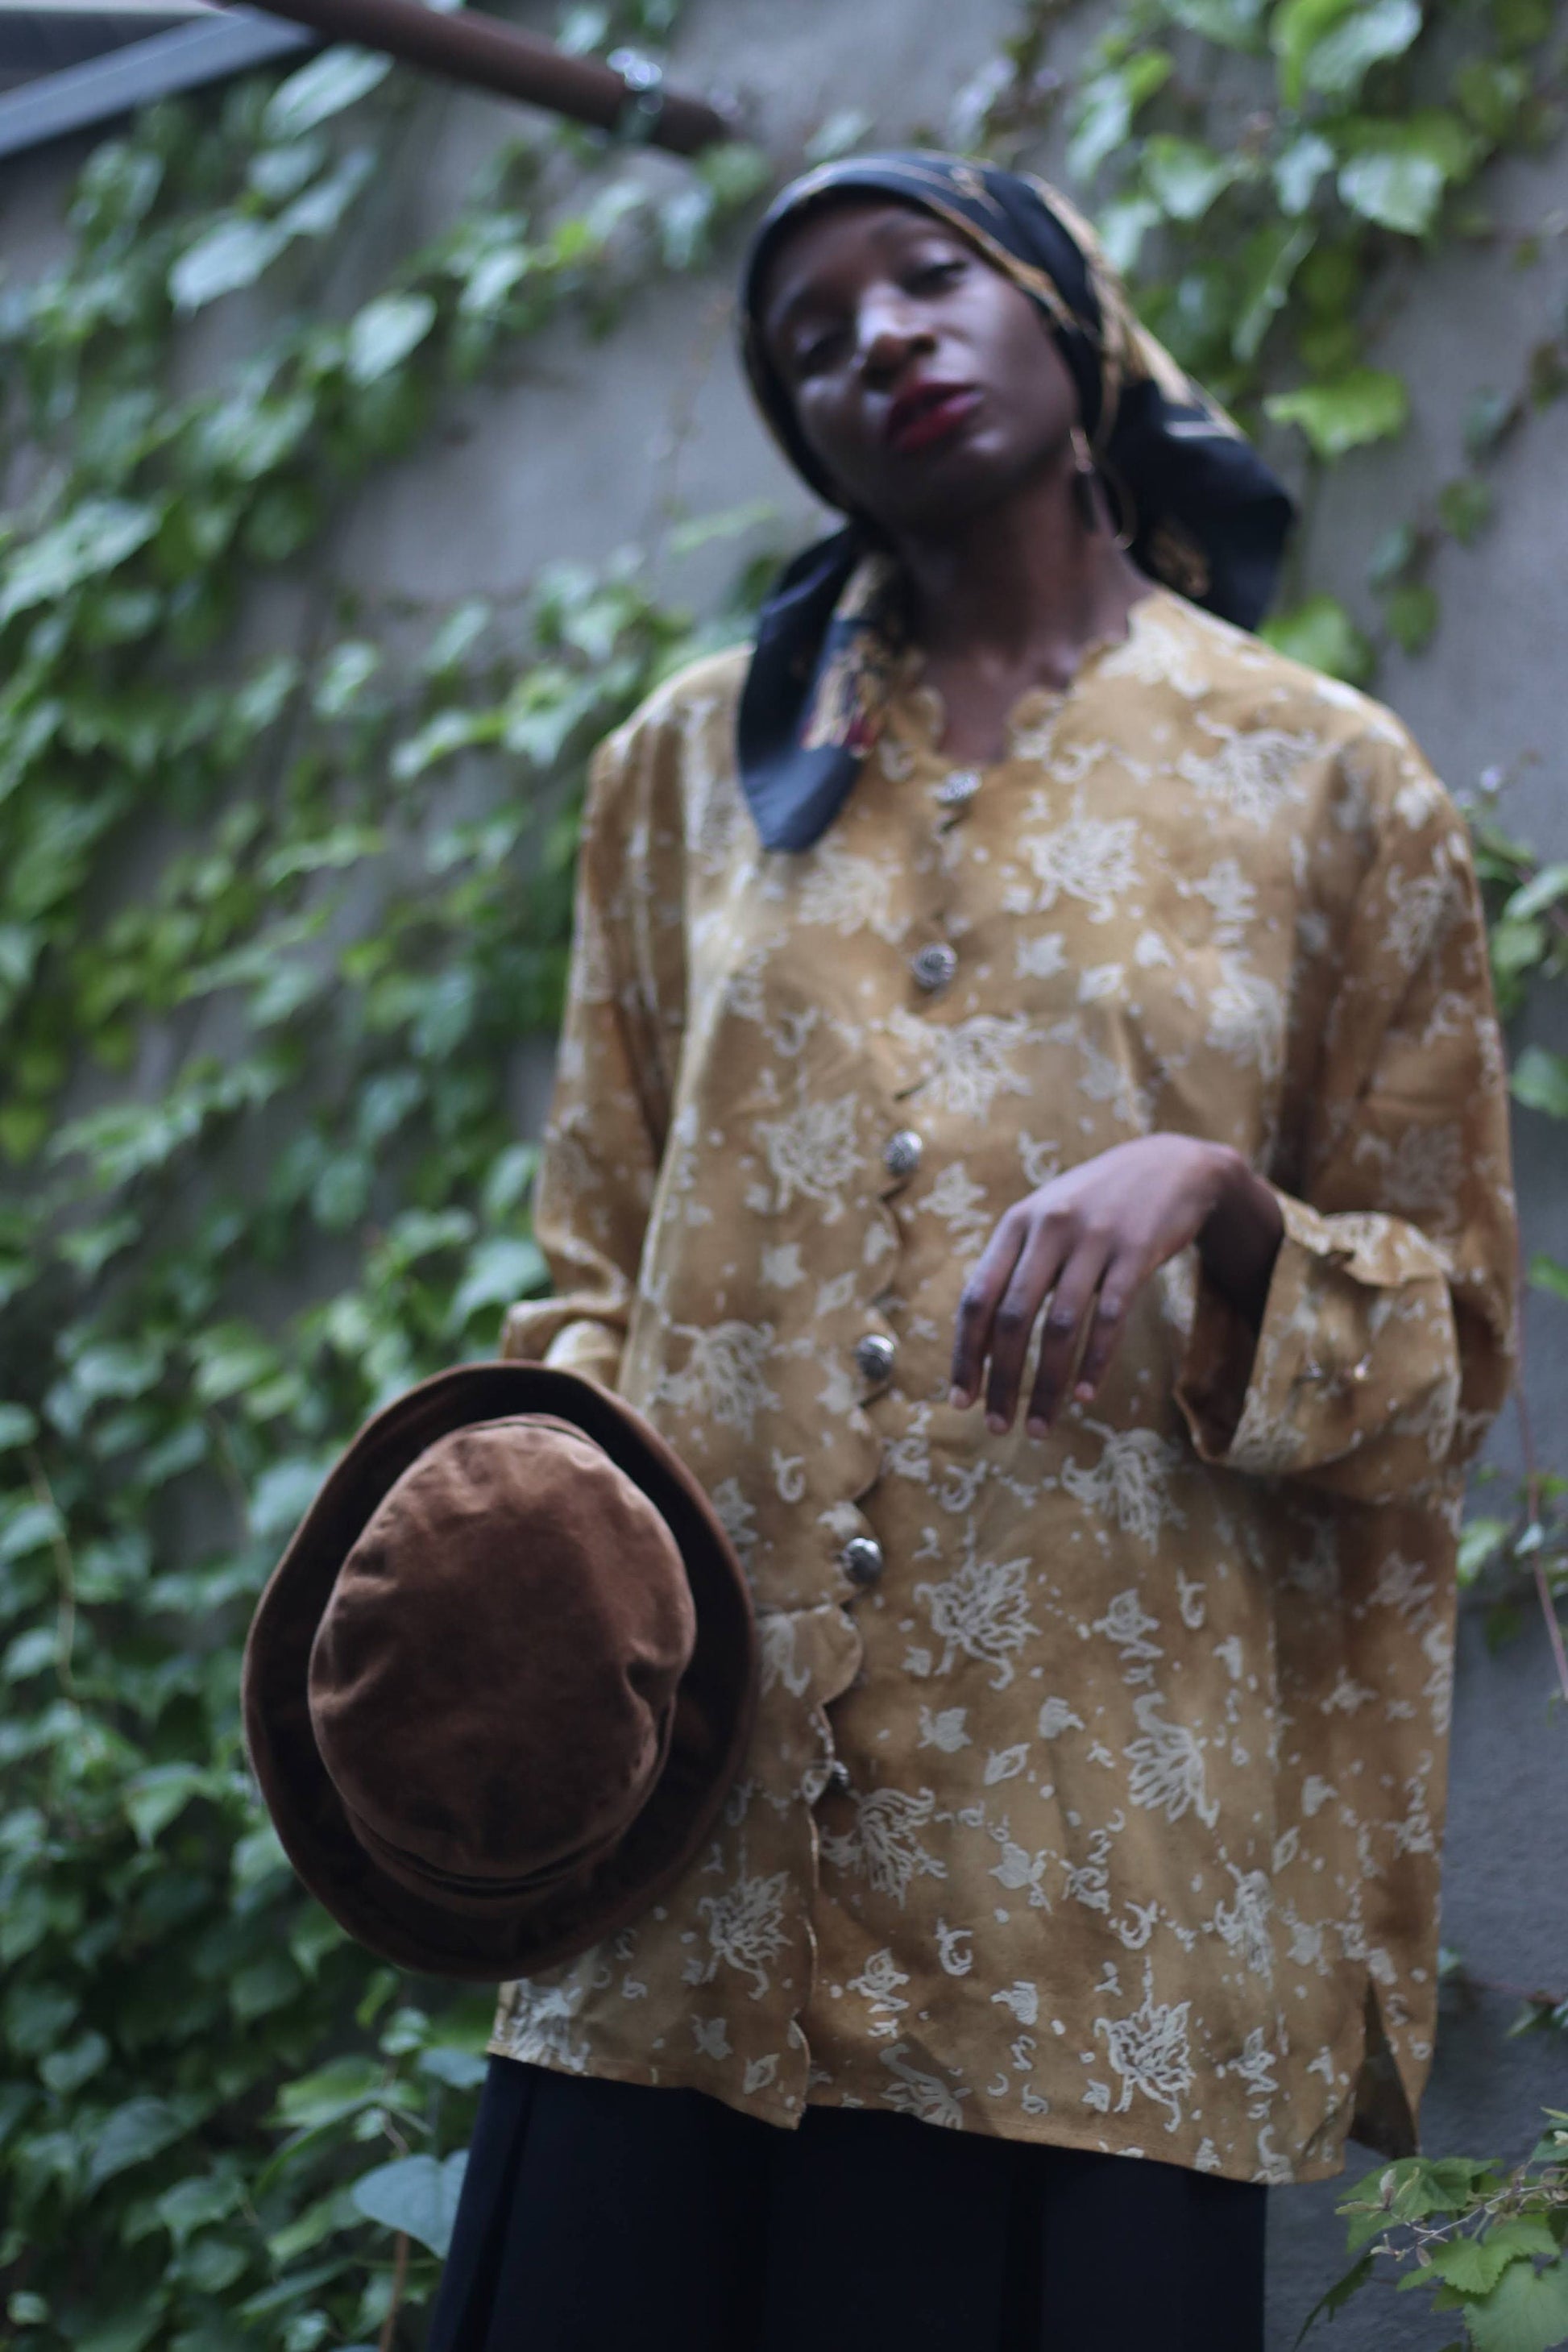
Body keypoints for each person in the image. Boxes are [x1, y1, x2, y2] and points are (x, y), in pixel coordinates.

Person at [427, 153, 1518, 2352]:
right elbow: (586, 1278)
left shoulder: (1330, 786)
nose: (874, 345)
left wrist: (1211, 1202)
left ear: (1069, 314)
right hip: (680, 1907)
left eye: (923, 280)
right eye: (807, 340)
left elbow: (1446, 1356)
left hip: (1082, 1926)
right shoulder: (685, 770)